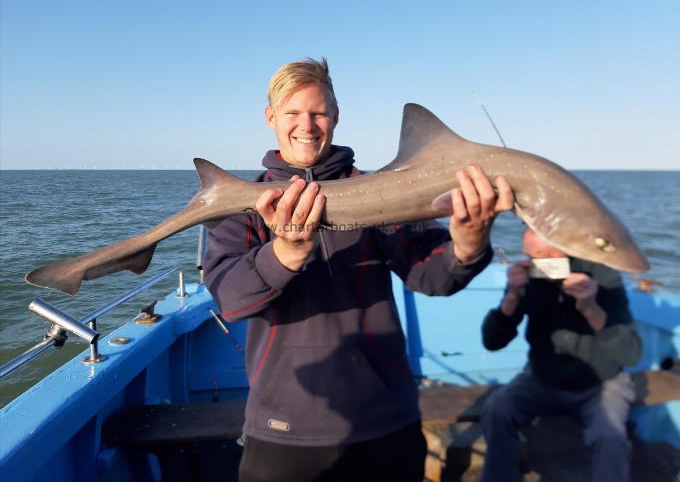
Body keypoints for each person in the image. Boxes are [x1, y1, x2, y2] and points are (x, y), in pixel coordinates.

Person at [203, 57, 513, 482]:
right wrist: (285, 253)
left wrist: (469, 242)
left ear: (336, 116)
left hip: (385, 423)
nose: (306, 126)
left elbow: (434, 277)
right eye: (292, 113)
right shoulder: (245, 206)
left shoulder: (387, 193)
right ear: (270, 117)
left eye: (318, 113)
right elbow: (231, 300)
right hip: (281, 431)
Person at [480, 227, 643, 482]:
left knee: (609, 436)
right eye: (532, 256)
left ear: (564, 248)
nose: (539, 263)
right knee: (496, 409)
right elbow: (492, 342)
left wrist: (590, 307)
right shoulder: (526, 278)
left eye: (547, 255)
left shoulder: (602, 274)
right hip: (542, 379)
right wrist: (511, 296)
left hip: (601, 383)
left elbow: (631, 354)